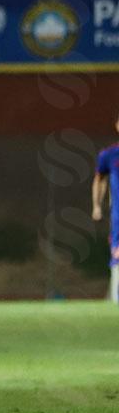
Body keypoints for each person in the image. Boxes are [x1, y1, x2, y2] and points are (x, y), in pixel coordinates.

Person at [91, 115, 119, 304]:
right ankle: (116, 297)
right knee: (117, 254)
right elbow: (99, 180)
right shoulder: (109, 155)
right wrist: (96, 206)